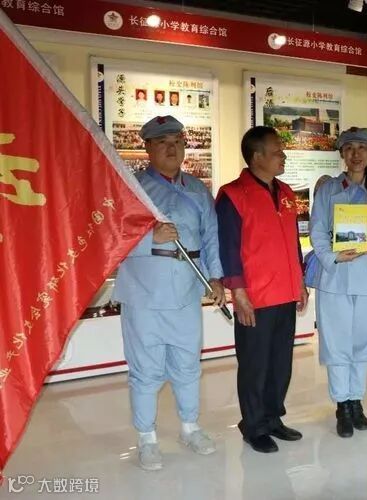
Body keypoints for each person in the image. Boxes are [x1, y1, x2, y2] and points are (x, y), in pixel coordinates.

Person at [112, 115, 226, 471]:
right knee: (145, 370)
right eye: (162, 141)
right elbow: (110, 238)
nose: (171, 147)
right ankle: (146, 438)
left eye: (177, 140)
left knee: (188, 364)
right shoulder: (130, 189)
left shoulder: (197, 189)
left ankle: (190, 427)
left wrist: (216, 278)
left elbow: (210, 236)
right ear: (147, 147)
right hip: (144, 293)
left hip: (186, 291)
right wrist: (150, 238)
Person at [216, 126, 308, 454]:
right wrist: (238, 293)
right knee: (254, 364)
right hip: (254, 296)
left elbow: (293, 242)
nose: (283, 156)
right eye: (277, 151)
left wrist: (300, 281)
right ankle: (253, 426)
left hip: (285, 291)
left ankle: (272, 418)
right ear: (257, 157)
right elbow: (228, 248)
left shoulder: (285, 192)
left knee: (281, 363)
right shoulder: (233, 195)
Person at [309, 127, 367, 438]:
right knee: (336, 343)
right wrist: (333, 257)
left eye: (362, 148)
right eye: (350, 148)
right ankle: (341, 404)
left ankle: (356, 399)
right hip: (335, 278)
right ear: (342, 154)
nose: (356, 154)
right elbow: (317, 231)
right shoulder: (328, 190)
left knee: (363, 342)